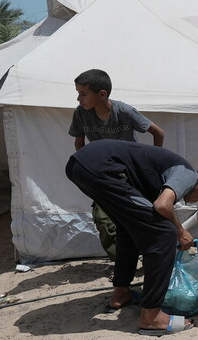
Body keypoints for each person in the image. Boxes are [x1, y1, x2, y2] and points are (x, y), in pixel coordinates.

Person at [65, 140, 198, 335]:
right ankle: (152, 317)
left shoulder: (160, 178)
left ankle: (121, 294)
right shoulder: (188, 174)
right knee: (163, 233)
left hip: (79, 165)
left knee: (127, 229)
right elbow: (162, 205)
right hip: (100, 166)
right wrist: (180, 231)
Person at [69, 69, 165, 260]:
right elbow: (79, 143)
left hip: (130, 173)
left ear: (102, 94)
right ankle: (122, 261)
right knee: (104, 221)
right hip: (102, 175)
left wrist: (152, 164)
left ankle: (151, 257)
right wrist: (88, 168)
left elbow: (158, 133)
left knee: (142, 216)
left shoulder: (124, 112)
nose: (79, 99)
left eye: (83, 93)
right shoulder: (81, 114)